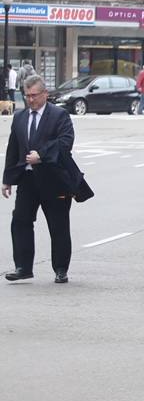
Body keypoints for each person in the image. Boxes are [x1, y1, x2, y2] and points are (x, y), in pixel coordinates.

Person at [3, 75, 79, 283]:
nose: (30, 100)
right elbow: (13, 148)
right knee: (20, 221)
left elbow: (65, 143)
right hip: (28, 179)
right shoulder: (20, 117)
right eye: (27, 96)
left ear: (45, 94)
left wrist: (42, 155)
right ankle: (23, 267)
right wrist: (7, 179)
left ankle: (61, 269)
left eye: (34, 95)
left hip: (54, 180)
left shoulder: (59, 115)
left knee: (58, 225)